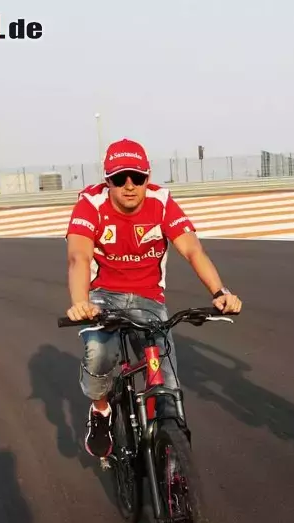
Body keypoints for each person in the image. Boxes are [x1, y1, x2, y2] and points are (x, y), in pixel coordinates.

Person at [64, 138, 242, 458]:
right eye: (120, 179)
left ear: (148, 177)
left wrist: (220, 292)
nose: (129, 186)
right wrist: (81, 302)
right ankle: (101, 411)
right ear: (108, 181)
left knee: (167, 386)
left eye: (137, 177)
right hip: (102, 297)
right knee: (99, 351)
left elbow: (191, 249)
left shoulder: (161, 201)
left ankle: (170, 454)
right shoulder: (90, 204)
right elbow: (78, 256)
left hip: (149, 299)